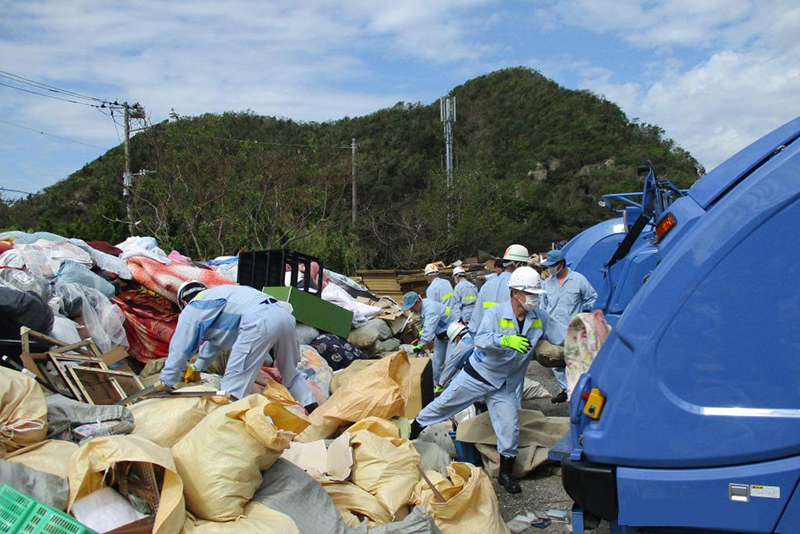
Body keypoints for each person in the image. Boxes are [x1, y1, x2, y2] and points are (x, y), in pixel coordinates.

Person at [410, 267, 563, 494]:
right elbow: (480, 339)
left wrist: (587, 335)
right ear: (515, 292)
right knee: (444, 404)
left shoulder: (539, 318)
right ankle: (412, 431)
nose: (533, 298)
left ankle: (505, 474)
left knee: (509, 428)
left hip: (506, 385)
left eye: (535, 294)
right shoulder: (496, 313)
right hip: (478, 375)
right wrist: (505, 340)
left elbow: (563, 334)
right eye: (528, 293)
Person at [159, 281, 316, 409]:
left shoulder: (194, 307)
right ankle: (313, 411)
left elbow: (179, 348)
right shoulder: (219, 296)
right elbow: (215, 342)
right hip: (284, 316)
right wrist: (197, 367)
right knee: (290, 373)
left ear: (184, 302)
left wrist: (166, 381)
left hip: (260, 320)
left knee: (233, 389)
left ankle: (261, 427)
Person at [540, 249, 598, 403]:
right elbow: (543, 304)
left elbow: (592, 298)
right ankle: (564, 390)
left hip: (572, 328)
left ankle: (577, 391)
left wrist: (586, 316)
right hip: (553, 329)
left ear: (560, 264)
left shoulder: (578, 280)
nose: (549, 269)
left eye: (552, 265)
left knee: (575, 361)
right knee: (557, 362)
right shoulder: (547, 283)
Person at [468, 244, 530, 335]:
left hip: (488, 341)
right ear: (519, 264)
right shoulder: (521, 287)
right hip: (511, 341)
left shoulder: (487, 285)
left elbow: (476, 322)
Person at [401, 290, 455, 385]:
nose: (411, 310)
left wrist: (421, 344)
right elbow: (425, 327)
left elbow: (429, 330)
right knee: (437, 362)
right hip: (441, 335)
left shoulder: (430, 309)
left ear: (418, 302)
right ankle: (434, 387)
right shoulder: (423, 309)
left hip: (453, 334)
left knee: (452, 362)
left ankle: (452, 388)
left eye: (412, 307)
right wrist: (420, 336)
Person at [438, 321, 474, 388]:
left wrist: (440, 383)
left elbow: (453, 364)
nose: (456, 344)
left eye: (455, 341)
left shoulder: (464, 344)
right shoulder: (472, 332)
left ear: (457, 338)